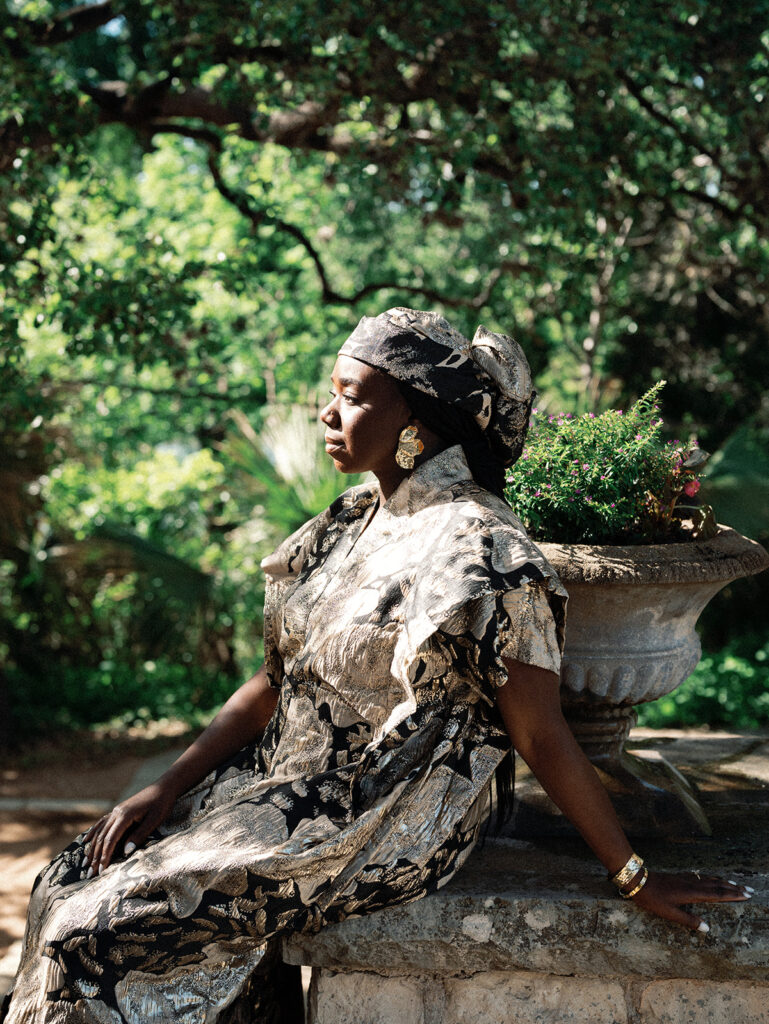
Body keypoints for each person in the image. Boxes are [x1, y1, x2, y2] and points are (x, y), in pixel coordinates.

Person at [3, 308, 751, 1024]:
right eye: (330, 394)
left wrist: (632, 875)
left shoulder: (480, 547)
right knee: (67, 877)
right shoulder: (346, 523)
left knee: (92, 933)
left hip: (381, 811)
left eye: (351, 397)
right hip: (281, 784)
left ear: (416, 422)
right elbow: (273, 683)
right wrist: (165, 787)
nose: (327, 414)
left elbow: (541, 732)